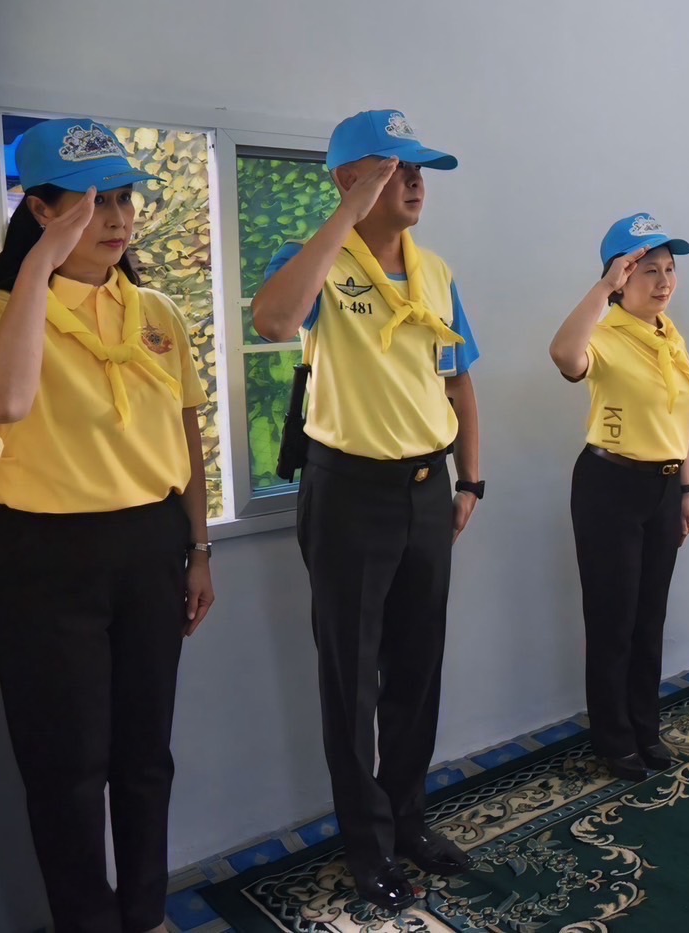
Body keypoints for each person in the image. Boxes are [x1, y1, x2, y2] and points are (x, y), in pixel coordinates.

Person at [0, 118, 214, 933]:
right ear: (40, 209)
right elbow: (6, 400)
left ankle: (146, 915)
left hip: (150, 544)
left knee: (145, 757)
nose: (116, 217)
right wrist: (40, 265)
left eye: (124, 198)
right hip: (46, 555)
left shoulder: (155, 311)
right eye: (91, 201)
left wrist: (199, 548)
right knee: (67, 768)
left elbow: (186, 435)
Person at [251, 109, 483, 910]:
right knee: (350, 678)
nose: (414, 182)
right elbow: (275, 319)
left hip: (427, 487)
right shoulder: (314, 260)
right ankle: (368, 846)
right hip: (348, 491)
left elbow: (458, 379)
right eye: (394, 168)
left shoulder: (436, 272)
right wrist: (347, 213)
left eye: (419, 169)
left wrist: (471, 480)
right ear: (349, 178)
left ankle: (408, 819)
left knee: (417, 668)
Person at [549, 213, 689, 783]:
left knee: (649, 617)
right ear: (620, 278)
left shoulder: (670, 337)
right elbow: (563, 355)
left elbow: (679, 420)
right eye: (648, 271)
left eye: (669, 270)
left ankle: (645, 728)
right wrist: (602, 290)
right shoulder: (604, 335)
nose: (664, 282)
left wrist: (686, 488)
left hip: (662, 487)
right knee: (613, 619)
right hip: (609, 487)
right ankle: (613, 739)